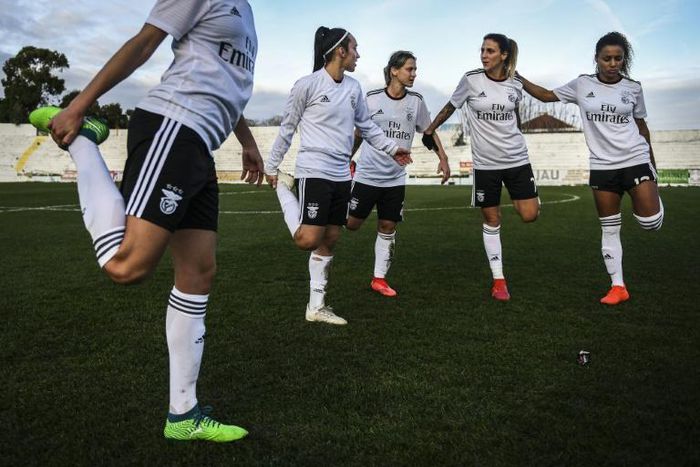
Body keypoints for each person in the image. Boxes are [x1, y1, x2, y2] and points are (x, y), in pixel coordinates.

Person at [28, 0, 262, 442]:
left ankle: (183, 415)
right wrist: (81, 103)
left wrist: (247, 142)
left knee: (198, 272)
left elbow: (229, 86)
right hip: (173, 126)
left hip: (201, 145)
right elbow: (143, 43)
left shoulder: (246, 11)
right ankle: (83, 141)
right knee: (127, 266)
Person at [264, 27, 412, 325]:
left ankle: (316, 307)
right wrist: (272, 166)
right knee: (308, 239)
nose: (358, 54)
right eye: (354, 48)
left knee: (330, 239)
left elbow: (367, 127)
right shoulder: (307, 85)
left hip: (342, 174)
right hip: (314, 171)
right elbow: (287, 127)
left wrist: (391, 148)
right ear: (340, 51)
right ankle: (283, 186)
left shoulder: (353, 88)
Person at [517, 31, 663, 305]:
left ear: (623, 60)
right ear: (596, 58)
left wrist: (653, 164)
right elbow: (547, 96)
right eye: (606, 58)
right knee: (609, 227)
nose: (612, 63)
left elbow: (642, 126)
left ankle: (653, 199)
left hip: (635, 158)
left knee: (650, 223)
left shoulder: (633, 87)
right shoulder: (582, 84)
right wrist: (519, 78)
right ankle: (618, 286)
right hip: (602, 165)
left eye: (618, 58)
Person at [422, 33, 539, 302]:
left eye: (490, 51)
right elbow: (451, 107)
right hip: (486, 165)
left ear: (504, 55)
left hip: (517, 160)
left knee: (530, 215)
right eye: (483, 50)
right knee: (492, 219)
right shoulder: (471, 80)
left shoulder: (515, 83)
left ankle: (530, 198)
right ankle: (499, 280)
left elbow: (515, 117)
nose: (484, 55)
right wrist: (431, 128)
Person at [347, 50, 450, 297]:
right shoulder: (370, 99)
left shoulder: (416, 101)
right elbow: (359, 134)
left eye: (415, 69)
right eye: (409, 69)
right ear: (394, 70)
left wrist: (443, 157)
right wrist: (345, 158)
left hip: (395, 178)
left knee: (387, 226)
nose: (414, 74)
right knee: (351, 225)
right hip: (367, 175)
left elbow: (428, 131)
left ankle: (379, 279)